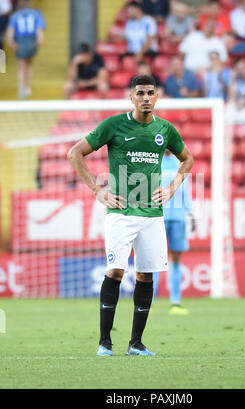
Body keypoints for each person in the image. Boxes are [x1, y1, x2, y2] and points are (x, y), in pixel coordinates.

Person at [67, 74, 194, 357]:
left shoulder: (166, 129)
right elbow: (75, 153)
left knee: (146, 275)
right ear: (131, 97)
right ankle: (105, 343)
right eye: (140, 93)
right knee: (115, 271)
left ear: (157, 96)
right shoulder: (114, 125)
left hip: (152, 214)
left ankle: (136, 343)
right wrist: (96, 191)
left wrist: (172, 189)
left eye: (150, 92)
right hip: (121, 212)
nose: (146, 97)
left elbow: (188, 159)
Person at [153, 149, 194, 315]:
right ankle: (150, 301)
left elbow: (186, 189)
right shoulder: (154, 160)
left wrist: (190, 212)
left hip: (178, 217)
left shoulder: (181, 162)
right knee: (154, 259)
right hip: (158, 216)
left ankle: (175, 302)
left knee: (176, 258)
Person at [6, 0, 45, 99]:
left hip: (20, 41)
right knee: (29, 65)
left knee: (21, 67)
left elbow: (10, 32)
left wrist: (12, 43)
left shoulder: (16, 15)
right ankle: (28, 87)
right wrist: (39, 42)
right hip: (31, 40)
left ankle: (21, 86)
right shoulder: (36, 14)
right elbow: (39, 30)